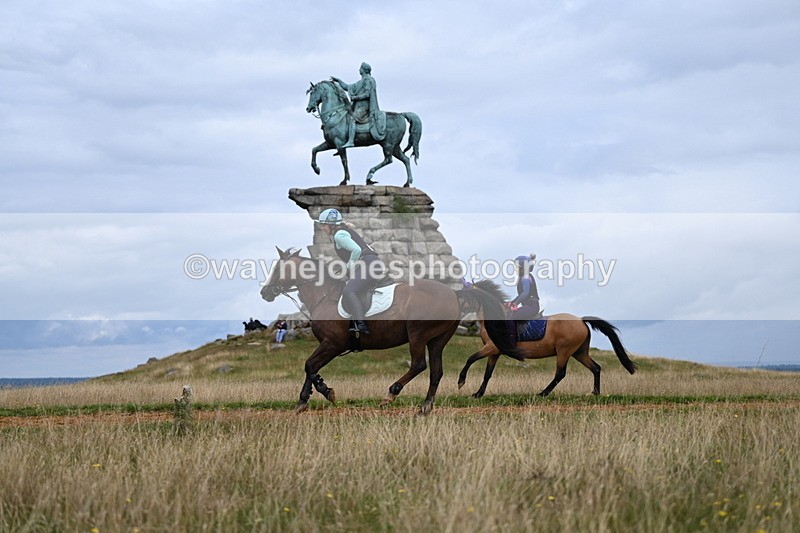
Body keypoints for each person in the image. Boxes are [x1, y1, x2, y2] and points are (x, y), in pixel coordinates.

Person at [317, 208, 385, 335]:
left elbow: (357, 250)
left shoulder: (339, 235)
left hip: (368, 264)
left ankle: (360, 324)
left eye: (323, 225)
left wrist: (349, 267)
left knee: (348, 290)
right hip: (371, 262)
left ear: (331, 225)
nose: (322, 228)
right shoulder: (345, 230)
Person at [330, 62, 386, 150]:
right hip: (357, 107)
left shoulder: (369, 80)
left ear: (364, 70)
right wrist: (339, 81)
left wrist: (355, 98)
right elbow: (347, 87)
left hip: (365, 107)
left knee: (352, 119)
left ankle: (351, 141)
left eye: (360, 68)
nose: (359, 69)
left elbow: (367, 94)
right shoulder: (360, 82)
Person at [508, 254, 541, 321]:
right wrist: (511, 302)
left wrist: (515, 304)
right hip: (529, 305)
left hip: (531, 306)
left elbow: (526, 293)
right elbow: (521, 295)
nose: (515, 269)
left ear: (523, 269)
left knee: (513, 316)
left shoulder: (526, 278)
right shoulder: (524, 277)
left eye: (517, 267)